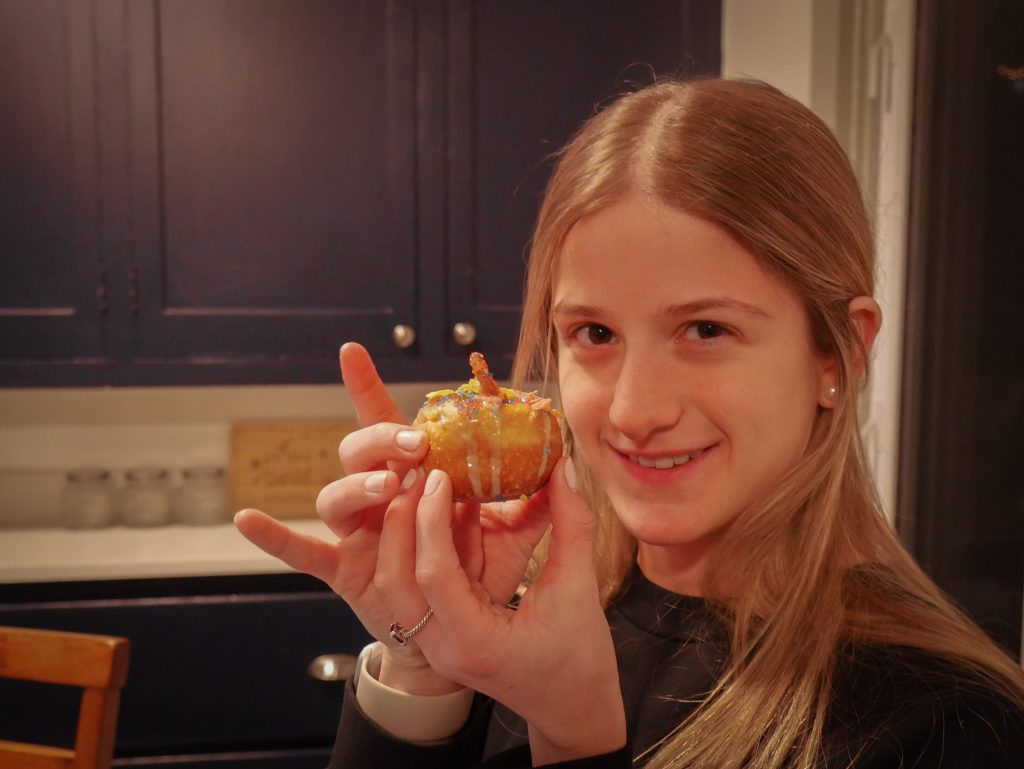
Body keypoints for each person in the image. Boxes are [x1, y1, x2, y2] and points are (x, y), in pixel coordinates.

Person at [235, 78, 1024, 768]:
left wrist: (575, 738)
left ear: (839, 354)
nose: (633, 411)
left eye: (707, 330)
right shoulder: (526, 628)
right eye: (595, 334)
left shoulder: (950, 725)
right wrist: (421, 666)